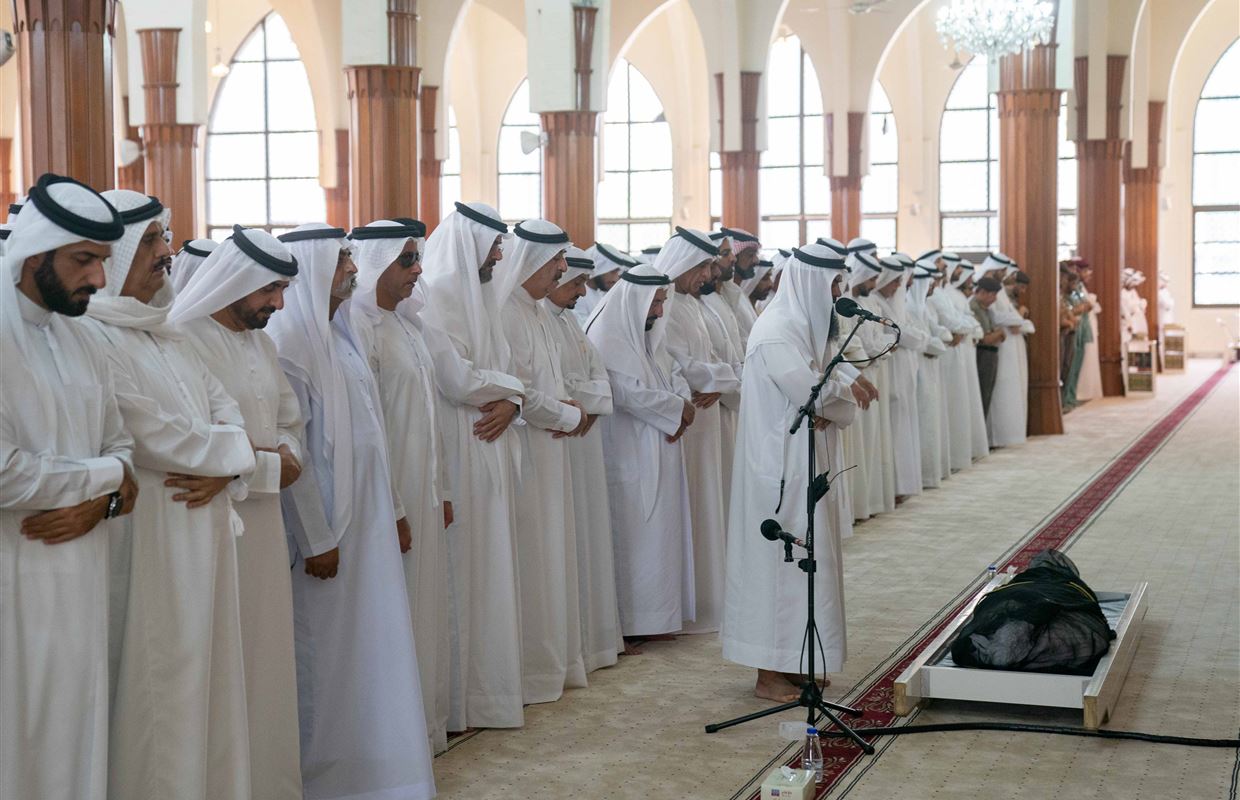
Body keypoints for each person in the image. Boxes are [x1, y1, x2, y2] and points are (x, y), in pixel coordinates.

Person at [80, 191, 255, 799]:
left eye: (165, 239)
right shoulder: (96, 336)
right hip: (152, 533)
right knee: (160, 683)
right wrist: (233, 456)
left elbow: (223, 407)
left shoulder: (169, 330)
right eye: (152, 241)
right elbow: (149, 432)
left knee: (207, 677)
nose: (165, 253)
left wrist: (229, 464)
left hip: (203, 530)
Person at [269, 223, 435, 800]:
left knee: (373, 649)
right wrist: (316, 538)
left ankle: (375, 767)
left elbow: (372, 435)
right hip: (329, 532)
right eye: (342, 260)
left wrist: (393, 509)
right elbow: (300, 458)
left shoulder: (344, 336)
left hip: (368, 521)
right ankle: (325, 777)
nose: (352, 269)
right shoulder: (292, 344)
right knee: (327, 655)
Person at [1, 175, 135, 800]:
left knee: (78, 728)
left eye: (103, 262)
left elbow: (122, 448)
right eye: (84, 260)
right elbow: (4, 473)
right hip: (14, 582)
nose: (99, 281)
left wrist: (102, 502)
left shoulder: (82, 335)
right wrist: (107, 480)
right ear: (35, 256)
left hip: (83, 575)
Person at [168, 228, 305, 799]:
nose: (278, 304)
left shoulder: (261, 346)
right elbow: (192, 450)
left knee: (266, 660)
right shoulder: (183, 341)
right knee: (220, 666)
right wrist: (268, 462)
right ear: (237, 282)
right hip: (208, 528)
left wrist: (279, 459)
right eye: (270, 290)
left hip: (264, 528)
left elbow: (290, 427)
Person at [721, 244, 869, 703]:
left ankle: (795, 661)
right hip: (778, 471)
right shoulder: (777, 331)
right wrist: (838, 402)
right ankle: (768, 673)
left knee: (804, 566)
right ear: (811, 284)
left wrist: (832, 399)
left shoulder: (801, 328)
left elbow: (823, 385)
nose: (840, 293)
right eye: (834, 285)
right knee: (778, 567)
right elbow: (813, 392)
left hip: (803, 461)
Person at [341, 218, 454, 754]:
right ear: (375, 263)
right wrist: (396, 506)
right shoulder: (358, 328)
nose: (417, 270)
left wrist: (442, 486)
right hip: (391, 503)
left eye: (417, 259)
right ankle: (391, 745)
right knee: (393, 619)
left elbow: (431, 417)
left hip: (424, 495)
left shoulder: (407, 326)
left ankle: (423, 730)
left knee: (424, 613)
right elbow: (371, 430)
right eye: (406, 260)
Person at [418, 202, 527, 730]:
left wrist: (514, 399)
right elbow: (457, 379)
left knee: (490, 567)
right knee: (465, 568)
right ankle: (461, 701)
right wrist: (514, 393)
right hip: (459, 448)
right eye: (495, 244)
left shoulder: (484, 296)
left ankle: (488, 693)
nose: (501, 255)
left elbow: (502, 373)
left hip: (490, 439)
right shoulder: (438, 293)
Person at [501, 219, 591, 703]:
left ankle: (554, 664)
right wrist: (565, 412)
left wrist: (569, 411)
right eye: (556, 261)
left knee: (554, 556)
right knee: (536, 558)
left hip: (553, 447)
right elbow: (518, 388)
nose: (561, 269)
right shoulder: (507, 311)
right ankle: (534, 672)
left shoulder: (536, 310)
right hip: (529, 454)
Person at [585, 263, 696, 645]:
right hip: (628, 453)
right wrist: (675, 408)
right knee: (632, 537)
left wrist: (680, 401)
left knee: (659, 536)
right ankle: (631, 624)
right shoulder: (606, 334)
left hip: (660, 447)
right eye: (656, 303)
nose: (660, 312)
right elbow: (623, 392)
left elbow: (672, 372)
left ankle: (657, 618)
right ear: (637, 301)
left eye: (663, 302)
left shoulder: (647, 335)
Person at [654, 228, 737, 634]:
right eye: (702, 266)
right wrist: (720, 379)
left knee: (711, 506)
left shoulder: (696, 305)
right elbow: (684, 369)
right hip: (685, 425)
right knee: (694, 510)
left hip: (709, 422)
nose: (707, 274)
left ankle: (710, 598)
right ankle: (691, 605)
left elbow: (716, 365)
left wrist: (721, 381)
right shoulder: (665, 305)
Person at [546, 247, 624, 672]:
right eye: (574, 282)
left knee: (589, 535)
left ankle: (594, 642)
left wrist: (590, 405)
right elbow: (558, 386)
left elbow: (597, 379)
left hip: (584, 436)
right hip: (562, 439)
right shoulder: (538, 319)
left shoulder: (569, 322)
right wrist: (586, 403)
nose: (580, 291)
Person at [847, 248, 898, 518]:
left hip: (871, 374)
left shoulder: (872, 304)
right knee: (859, 444)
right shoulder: (845, 302)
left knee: (872, 440)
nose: (873, 285)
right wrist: (881, 348)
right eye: (870, 279)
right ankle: (857, 507)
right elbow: (859, 344)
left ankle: (870, 503)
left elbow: (880, 340)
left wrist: (881, 347)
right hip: (853, 378)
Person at [871, 255, 924, 498]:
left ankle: (902, 485)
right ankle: (893, 487)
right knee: (892, 427)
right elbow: (902, 334)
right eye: (896, 282)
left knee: (903, 425)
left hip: (902, 369)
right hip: (888, 371)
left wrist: (910, 337)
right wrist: (909, 338)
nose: (898, 287)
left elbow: (909, 333)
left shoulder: (892, 303)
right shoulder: (875, 302)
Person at [941, 258, 990, 462]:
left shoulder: (955, 295)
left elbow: (969, 322)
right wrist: (968, 328)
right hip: (950, 354)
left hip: (964, 351)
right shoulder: (946, 295)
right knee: (955, 401)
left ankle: (966, 450)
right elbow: (956, 323)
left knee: (965, 400)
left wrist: (968, 329)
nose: (968, 279)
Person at [910, 253, 951, 488]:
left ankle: (929, 474)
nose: (934, 286)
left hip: (931, 367)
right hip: (919, 369)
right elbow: (923, 339)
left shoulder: (922, 307)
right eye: (930, 282)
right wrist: (936, 342)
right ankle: (923, 476)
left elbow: (936, 332)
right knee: (923, 420)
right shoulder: (912, 307)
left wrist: (938, 340)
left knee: (931, 419)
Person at [982, 253, 1030, 447]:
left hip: (1010, 343)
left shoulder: (999, 290)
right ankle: (996, 437)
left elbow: (1008, 315)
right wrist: (1019, 320)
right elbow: (996, 316)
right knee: (1000, 391)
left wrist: (1019, 321)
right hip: (999, 345)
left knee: (1011, 390)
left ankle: (1009, 434)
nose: (1005, 275)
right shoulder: (985, 287)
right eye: (1003, 271)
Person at [970, 276, 1006, 417]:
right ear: (982, 292)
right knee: (981, 394)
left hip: (990, 356)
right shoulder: (974, 308)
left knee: (987, 395)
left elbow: (1000, 336)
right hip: (981, 356)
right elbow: (985, 339)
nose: (995, 299)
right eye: (992, 295)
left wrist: (996, 334)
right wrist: (997, 334)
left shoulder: (988, 310)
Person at [576, 242, 634, 325]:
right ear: (599, 268)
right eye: (612, 272)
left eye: (617, 273)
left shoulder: (600, 294)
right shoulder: (578, 296)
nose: (615, 279)